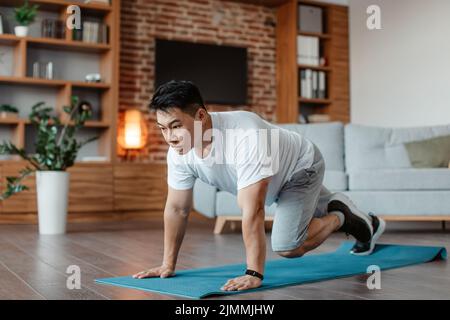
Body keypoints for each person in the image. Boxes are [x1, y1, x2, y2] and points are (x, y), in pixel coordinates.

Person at [132, 80, 385, 292]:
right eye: (163, 129)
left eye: (176, 126)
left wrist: (254, 273)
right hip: (277, 175)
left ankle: (340, 215)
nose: (169, 137)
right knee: (319, 221)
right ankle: (367, 224)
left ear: (200, 115)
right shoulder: (178, 151)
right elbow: (177, 209)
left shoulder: (246, 136)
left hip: (300, 167)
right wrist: (167, 264)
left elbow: (253, 211)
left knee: (288, 246)